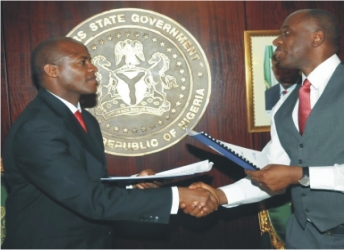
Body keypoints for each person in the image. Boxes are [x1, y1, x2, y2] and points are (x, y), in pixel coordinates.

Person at [187, 9, 344, 249]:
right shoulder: (286, 103)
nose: (276, 40)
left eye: (286, 32)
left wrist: (300, 174)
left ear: (316, 37)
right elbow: (272, 170)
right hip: (303, 238)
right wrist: (220, 196)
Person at [2, 37, 218, 249]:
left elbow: (84, 181)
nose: (94, 68)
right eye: (82, 62)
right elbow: (89, 199)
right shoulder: (37, 127)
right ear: (52, 70)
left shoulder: (85, 119)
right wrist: (177, 195)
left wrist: (132, 184)